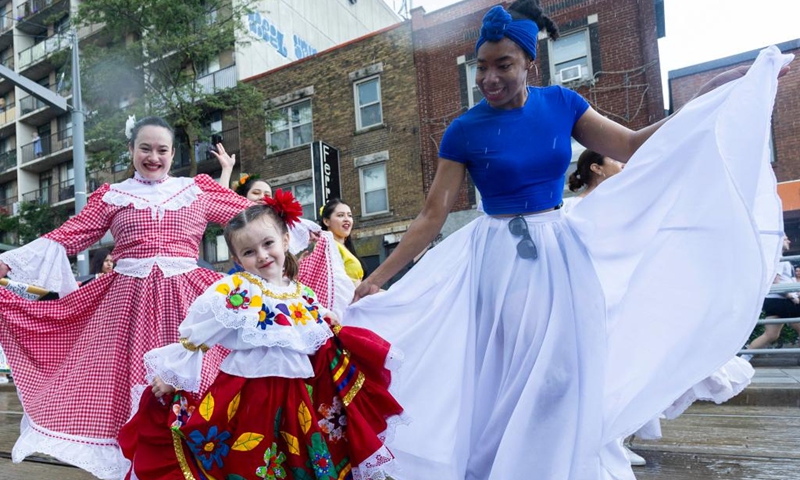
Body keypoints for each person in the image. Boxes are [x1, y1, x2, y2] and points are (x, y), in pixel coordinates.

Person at [342, 2, 790, 479]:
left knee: (566, 374)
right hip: (498, 259)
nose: (489, 78)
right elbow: (433, 215)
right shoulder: (463, 129)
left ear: (530, 63)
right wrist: (378, 278)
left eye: (503, 65)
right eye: (482, 67)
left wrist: (711, 95)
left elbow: (635, 147)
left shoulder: (562, 104)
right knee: (510, 375)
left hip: (560, 252)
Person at [0, 116, 252, 478]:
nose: (154, 157)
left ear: (172, 152)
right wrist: (8, 263)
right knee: (127, 396)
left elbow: (248, 219)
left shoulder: (195, 190)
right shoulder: (113, 195)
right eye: (145, 148)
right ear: (131, 150)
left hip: (187, 306)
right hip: (126, 310)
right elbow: (71, 234)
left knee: (199, 392)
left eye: (162, 150)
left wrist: (294, 224)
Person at [119, 191, 403, 480]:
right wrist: (172, 375)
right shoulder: (238, 289)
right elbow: (200, 333)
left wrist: (327, 319)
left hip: (296, 397)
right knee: (248, 459)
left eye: (268, 244)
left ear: (285, 240)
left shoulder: (302, 294)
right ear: (237, 259)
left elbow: (315, 329)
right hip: (246, 396)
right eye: (249, 251)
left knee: (295, 460)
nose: (262, 255)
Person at [744, 235, 800, 358]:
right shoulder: (778, 258)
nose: (789, 240)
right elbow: (775, 281)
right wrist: (791, 297)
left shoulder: (779, 258)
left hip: (774, 300)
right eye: (786, 239)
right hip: (782, 299)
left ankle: (744, 359)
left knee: (771, 334)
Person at [319, 198, 367, 286]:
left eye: (349, 215)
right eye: (340, 215)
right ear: (326, 221)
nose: (347, 219)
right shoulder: (327, 246)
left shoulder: (344, 247)